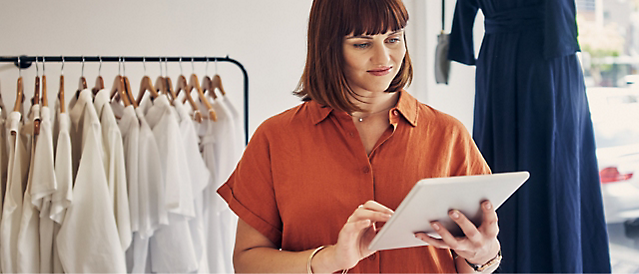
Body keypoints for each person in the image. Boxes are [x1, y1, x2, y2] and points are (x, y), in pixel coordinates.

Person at [218, 0, 500, 272]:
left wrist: (484, 256)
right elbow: (247, 263)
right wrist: (331, 259)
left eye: (393, 39)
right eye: (362, 43)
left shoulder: (449, 135)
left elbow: (473, 260)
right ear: (328, 47)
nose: (384, 58)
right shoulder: (275, 139)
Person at [448, 0, 612, 273]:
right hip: (546, 59)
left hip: (506, 55)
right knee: (556, 168)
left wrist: (461, 42)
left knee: (517, 163)